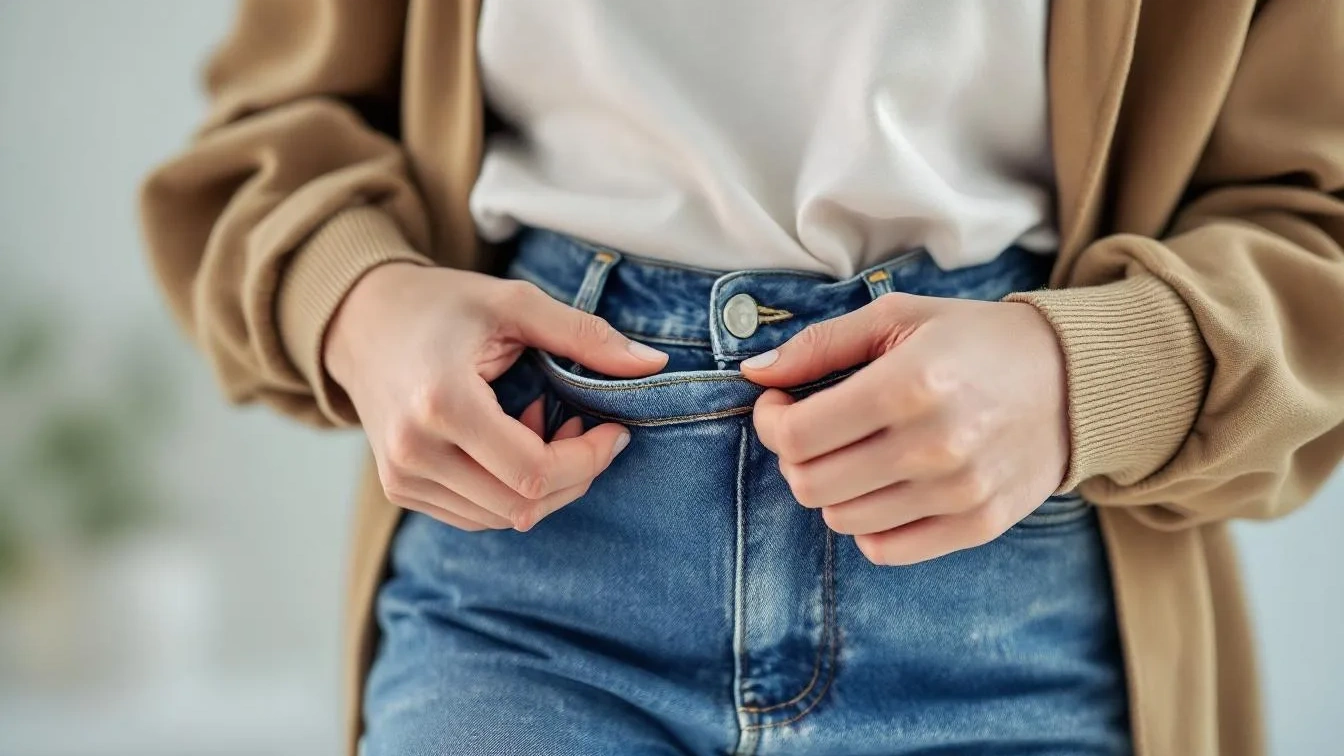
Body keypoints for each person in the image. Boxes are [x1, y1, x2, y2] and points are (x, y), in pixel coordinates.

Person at [139, 2, 1344, 754]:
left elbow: (1317, 219)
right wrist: (360, 302)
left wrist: (1084, 376)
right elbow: (274, 122)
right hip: (533, 589)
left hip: (1006, 587)